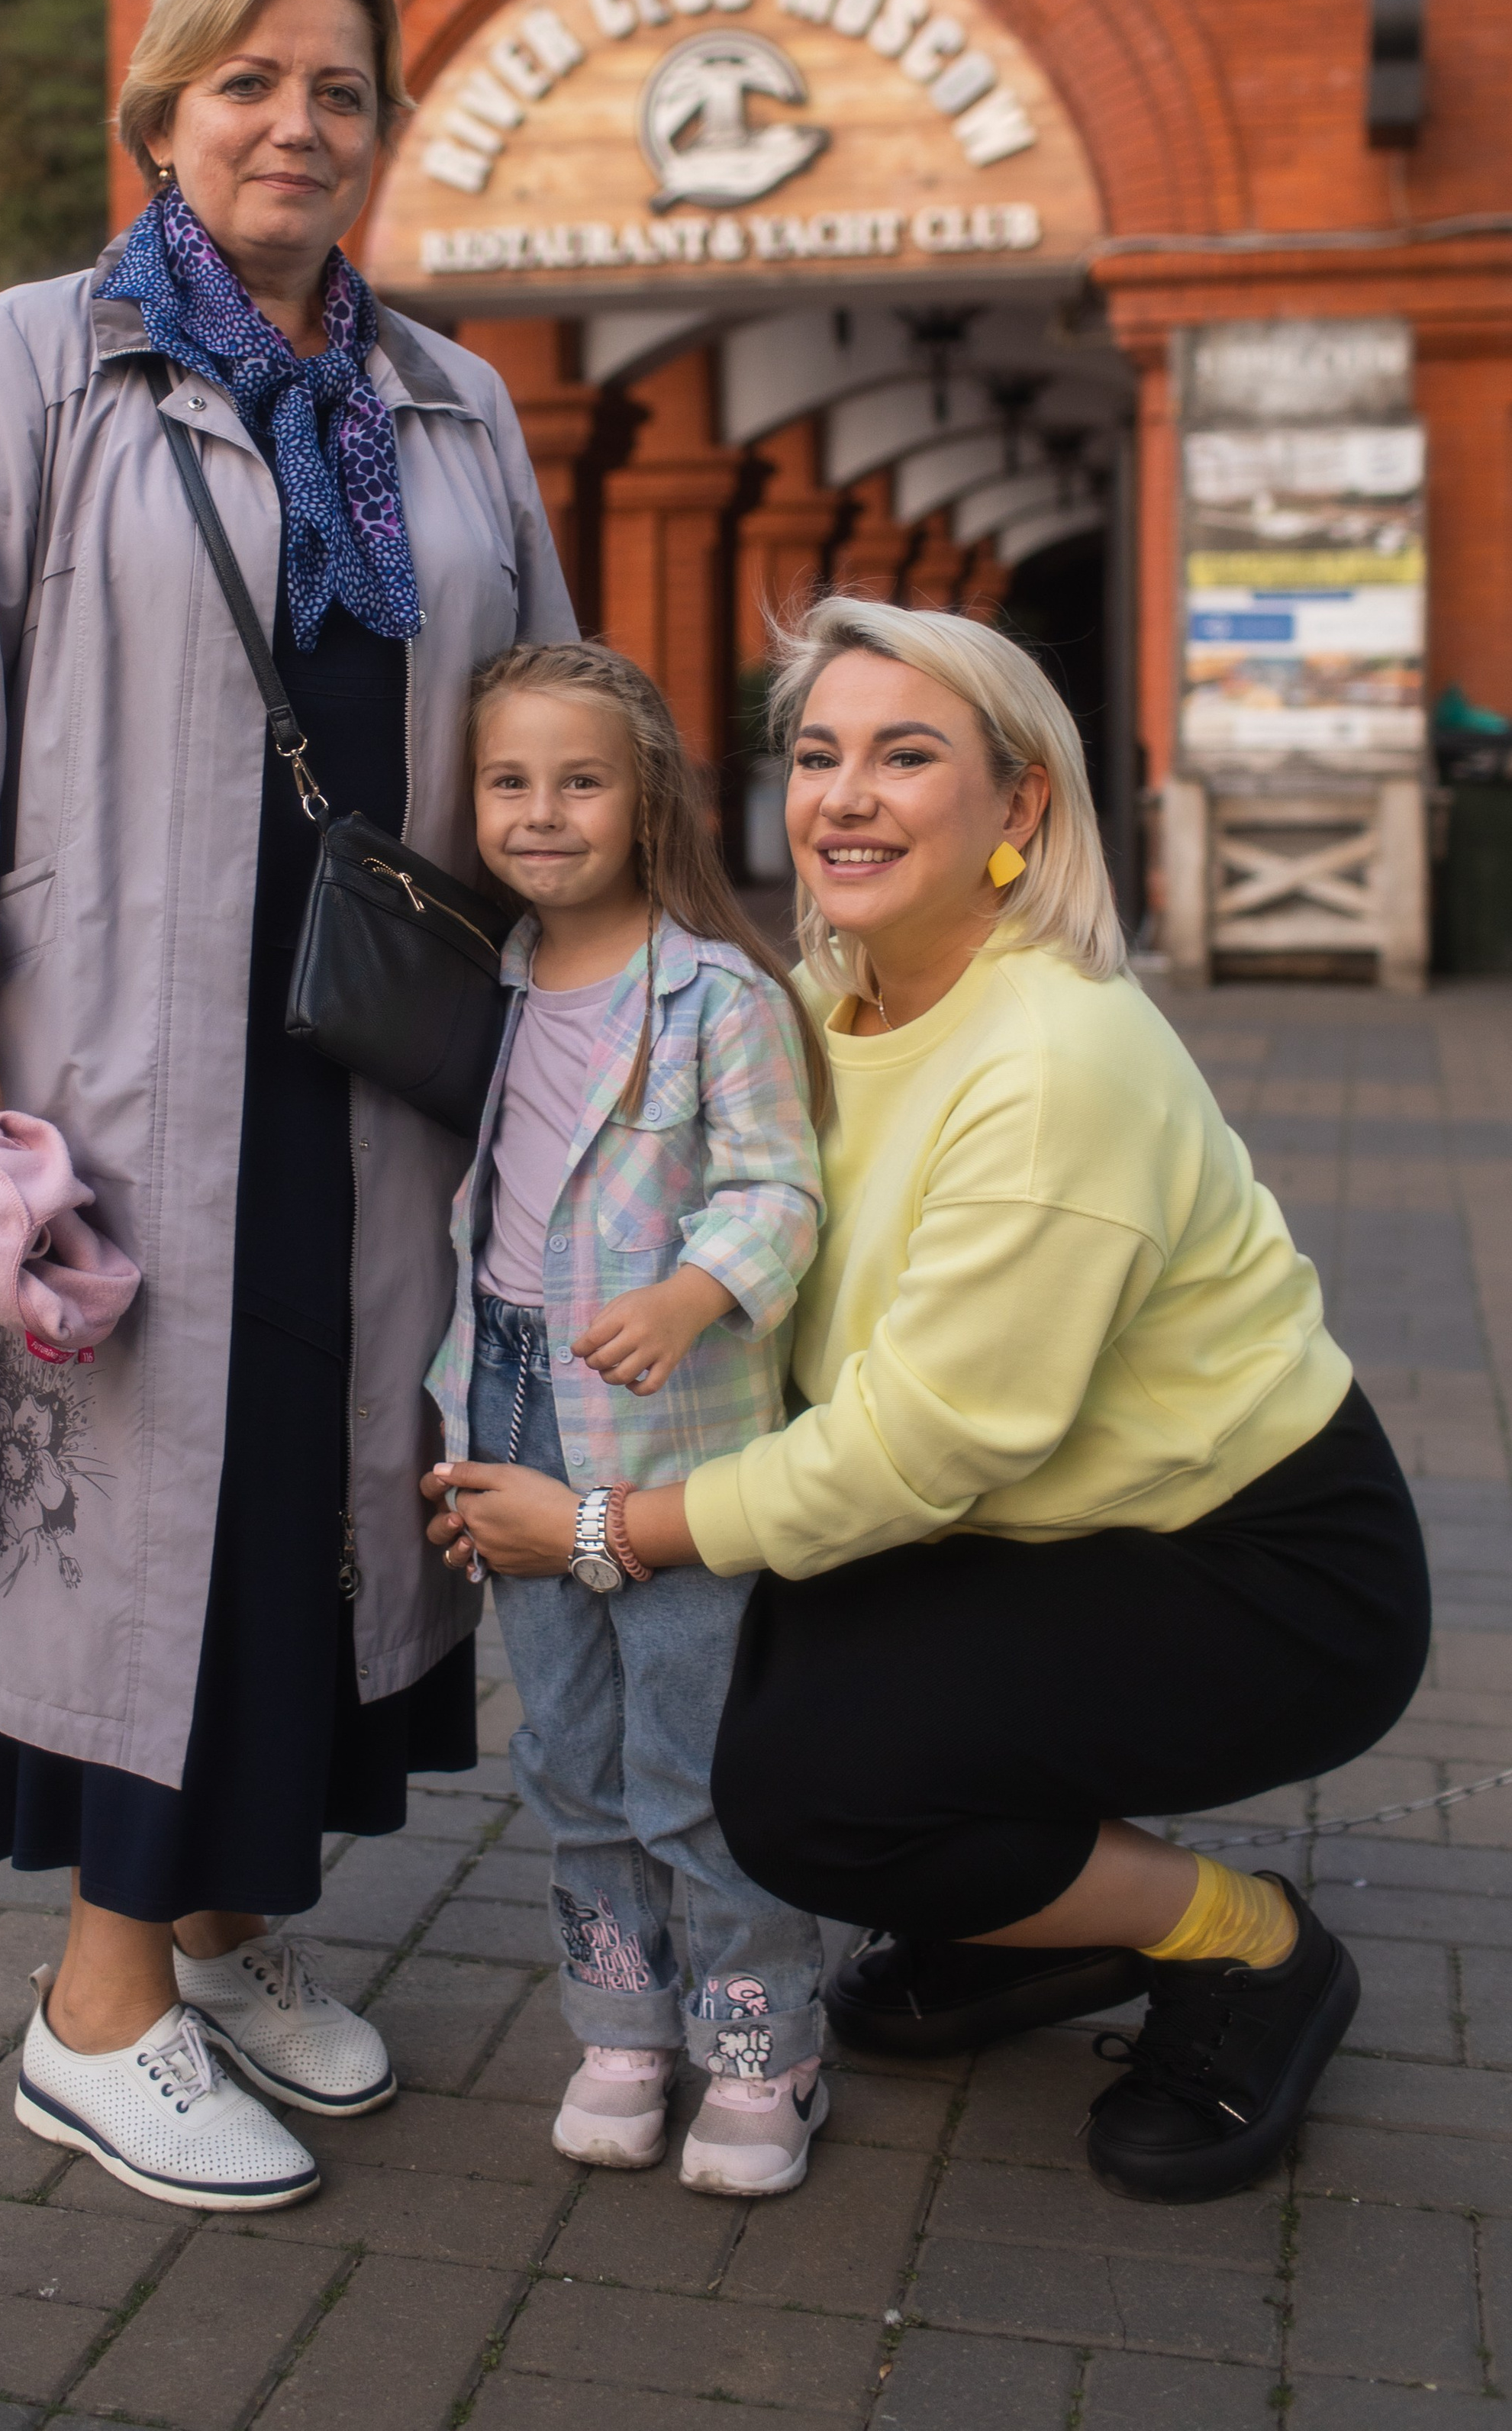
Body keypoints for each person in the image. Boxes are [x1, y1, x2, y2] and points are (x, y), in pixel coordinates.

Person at [0, 0, 575, 2212]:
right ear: (164, 113)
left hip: (371, 1052)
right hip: (115, 1058)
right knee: (159, 1511)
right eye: (247, 83)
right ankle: (96, 2005)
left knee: (332, 1494)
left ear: (378, 130)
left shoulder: (450, 401)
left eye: (339, 89)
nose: (295, 124)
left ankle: (234, 1925)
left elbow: (543, 699)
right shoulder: (42, 362)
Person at [429, 596, 1430, 2207]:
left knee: (799, 1787)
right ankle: (1004, 1910)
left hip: (1255, 1569)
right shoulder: (825, 992)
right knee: (762, 1693)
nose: (843, 796)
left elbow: (929, 1442)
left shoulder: (1053, 1060)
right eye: (817, 754)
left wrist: (610, 1527)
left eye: (906, 756)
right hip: (1031, 1529)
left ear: (1019, 803)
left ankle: (1241, 1947)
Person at [425, 642, 828, 2194]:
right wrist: (443, 1418)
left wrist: (692, 1295)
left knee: (694, 1756)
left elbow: (781, 1191)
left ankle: (761, 2043)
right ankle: (619, 2024)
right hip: (513, 1397)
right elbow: (463, 1230)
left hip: (674, 1432)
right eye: (507, 781)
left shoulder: (713, 994)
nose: (539, 813)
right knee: (569, 1752)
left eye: (577, 780)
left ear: (644, 792)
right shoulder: (486, 987)